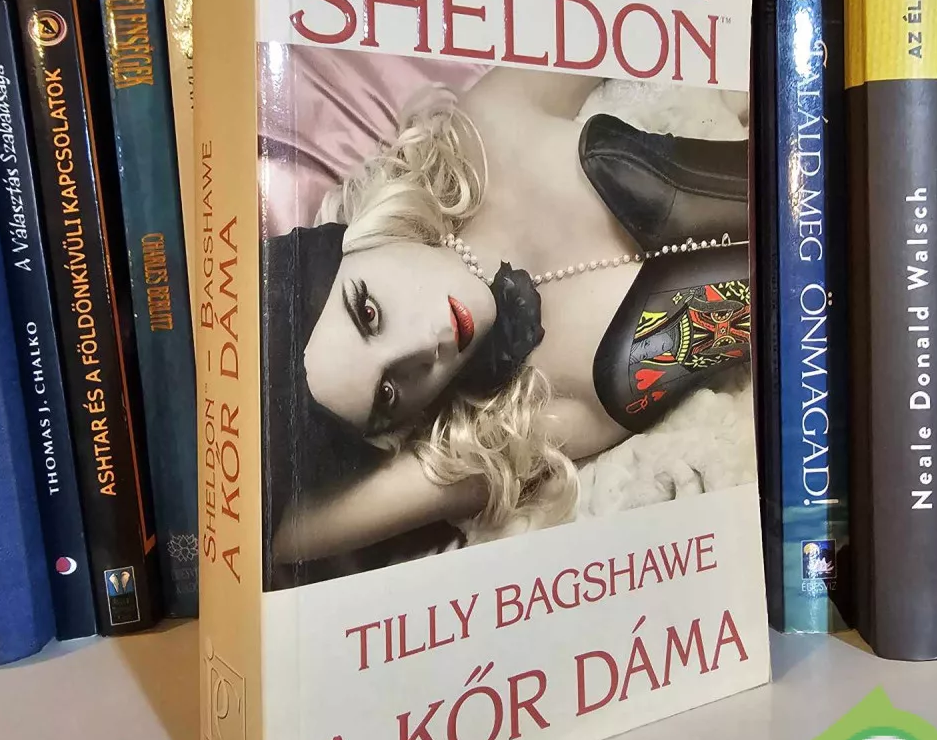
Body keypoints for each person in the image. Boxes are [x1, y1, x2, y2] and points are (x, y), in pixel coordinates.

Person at [265, 66, 750, 585]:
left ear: (359, 239)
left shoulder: (481, 134)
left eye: (368, 313)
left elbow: (629, 35)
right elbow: (279, 536)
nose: (425, 344)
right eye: (387, 392)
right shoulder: (522, 421)